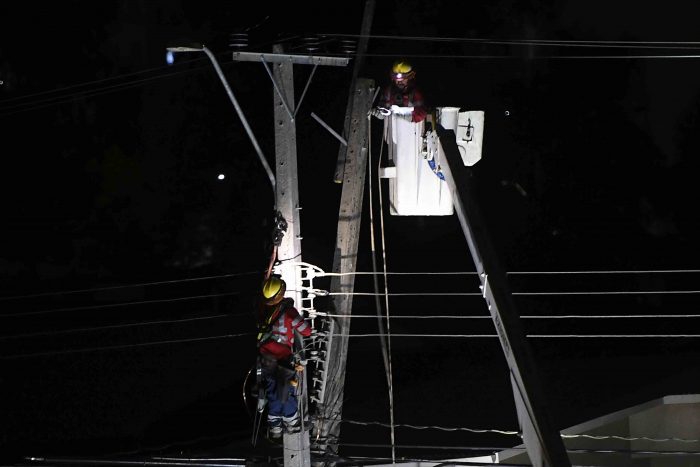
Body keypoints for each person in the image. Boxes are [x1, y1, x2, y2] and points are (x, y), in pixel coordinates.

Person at [256, 275, 311, 439]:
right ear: (281, 292)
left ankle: (275, 427)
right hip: (284, 359)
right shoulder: (287, 312)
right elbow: (306, 330)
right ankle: (291, 422)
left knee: (272, 391)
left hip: (265, 357)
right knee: (286, 392)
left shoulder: (261, 310)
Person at [371, 59, 428, 123]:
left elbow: (421, 115)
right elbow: (384, 111)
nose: (399, 82)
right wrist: (378, 113)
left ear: (410, 78)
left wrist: (400, 115)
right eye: (397, 80)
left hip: (411, 130)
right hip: (392, 130)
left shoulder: (415, 93)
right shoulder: (389, 91)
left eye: (403, 79)